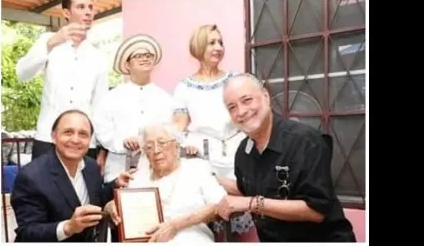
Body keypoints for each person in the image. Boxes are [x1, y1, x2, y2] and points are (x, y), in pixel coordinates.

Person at [218, 74, 356, 242]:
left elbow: (316, 211)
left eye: (247, 100)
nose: (241, 111)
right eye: (232, 107)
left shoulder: (306, 141)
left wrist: (252, 203)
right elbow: (248, 189)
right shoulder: (243, 153)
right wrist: (211, 178)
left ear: (266, 97)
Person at [172, 24, 253, 237]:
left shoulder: (235, 79)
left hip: (236, 151)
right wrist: (181, 144)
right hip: (203, 156)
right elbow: (179, 125)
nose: (218, 47)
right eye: (211, 42)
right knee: (208, 217)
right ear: (198, 47)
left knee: (238, 213)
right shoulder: (184, 86)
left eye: (220, 42)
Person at [11, 109, 133, 242]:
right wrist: (68, 227)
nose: (75, 140)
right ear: (54, 136)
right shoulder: (31, 176)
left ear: (90, 140)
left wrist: (115, 183)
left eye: (83, 134)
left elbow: (96, 199)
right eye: (68, 132)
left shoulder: (91, 166)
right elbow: (28, 231)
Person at [16, 0, 109, 159]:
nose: (88, 12)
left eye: (90, 7)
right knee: (41, 185)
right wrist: (51, 43)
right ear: (66, 12)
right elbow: (23, 74)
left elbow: (100, 105)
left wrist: (101, 149)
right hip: (48, 138)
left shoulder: (98, 57)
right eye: (81, 6)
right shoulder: (48, 41)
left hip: (84, 142)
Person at [107, 124, 228, 243]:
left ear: (176, 145)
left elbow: (218, 205)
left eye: (162, 143)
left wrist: (176, 225)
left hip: (190, 238)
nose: (156, 150)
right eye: (149, 146)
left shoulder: (197, 168)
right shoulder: (138, 177)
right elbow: (123, 208)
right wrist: (111, 206)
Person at [93, 33, 175, 184]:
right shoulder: (112, 97)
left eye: (148, 55)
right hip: (120, 169)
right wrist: (122, 142)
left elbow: (172, 131)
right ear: (127, 64)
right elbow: (101, 129)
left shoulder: (165, 98)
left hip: (157, 170)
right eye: (138, 56)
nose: (145, 58)